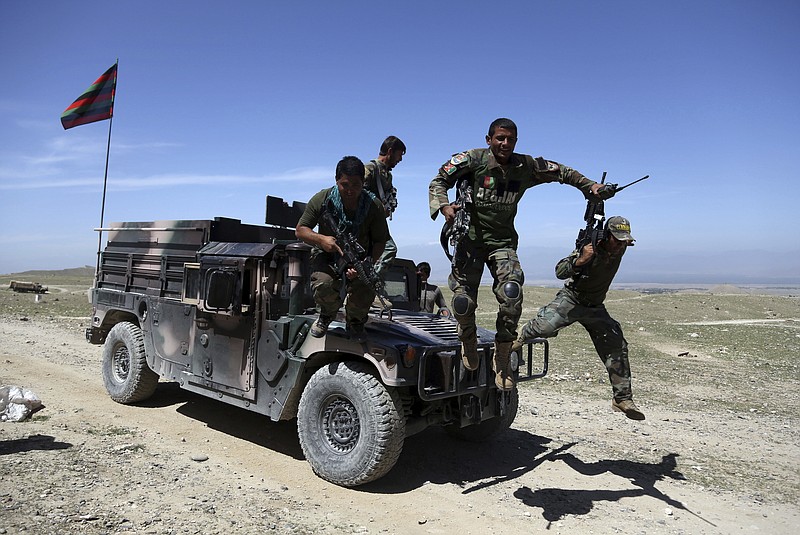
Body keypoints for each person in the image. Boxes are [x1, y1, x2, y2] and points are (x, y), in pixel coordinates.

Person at [428, 117, 607, 391]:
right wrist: (443, 207)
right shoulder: (472, 160)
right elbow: (439, 180)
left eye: (511, 139)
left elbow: (562, 172)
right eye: (500, 138)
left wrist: (590, 186)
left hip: (502, 242)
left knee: (512, 294)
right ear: (489, 140)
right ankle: (468, 339)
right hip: (469, 242)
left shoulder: (524, 166)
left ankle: (503, 354)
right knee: (463, 303)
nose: (505, 144)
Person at [512, 216, 645, 420]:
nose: (620, 245)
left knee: (616, 344)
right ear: (606, 236)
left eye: (624, 241)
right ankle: (520, 335)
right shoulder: (589, 248)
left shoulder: (621, 245)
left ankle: (622, 399)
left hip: (595, 306)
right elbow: (559, 271)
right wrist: (580, 260)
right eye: (616, 240)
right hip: (572, 299)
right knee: (545, 328)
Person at [296, 156, 389, 341]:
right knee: (324, 283)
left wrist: (367, 263)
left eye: (356, 185)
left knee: (367, 285)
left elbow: (380, 241)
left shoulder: (373, 206)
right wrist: (321, 239)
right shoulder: (322, 199)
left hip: (359, 258)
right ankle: (326, 316)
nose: (350, 190)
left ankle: (355, 322)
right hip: (327, 256)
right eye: (345, 184)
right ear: (337, 180)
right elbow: (300, 230)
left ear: (363, 183)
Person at [364, 136, 406, 276]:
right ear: (390, 151)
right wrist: (376, 205)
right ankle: (370, 279)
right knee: (389, 249)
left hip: (377, 222)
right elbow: (357, 193)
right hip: (365, 222)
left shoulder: (387, 174)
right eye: (399, 155)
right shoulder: (370, 169)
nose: (400, 160)